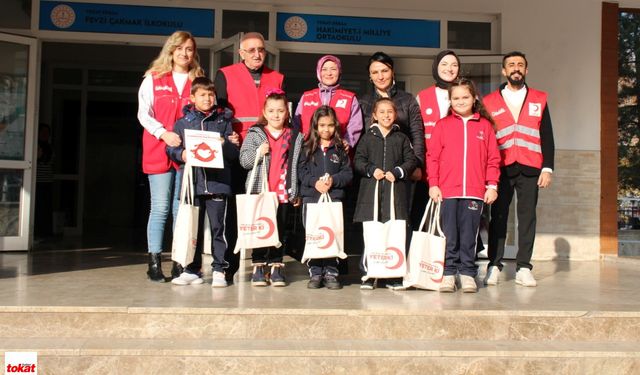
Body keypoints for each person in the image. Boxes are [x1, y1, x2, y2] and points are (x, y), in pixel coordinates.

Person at [214, 32, 284, 281]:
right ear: (241, 53)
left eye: (261, 50)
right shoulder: (226, 73)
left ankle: (264, 265)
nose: (257, 54)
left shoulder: (276, 77)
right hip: (236, 153)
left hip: (267, 154)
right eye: (251, 50)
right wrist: (225, 135)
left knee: (267, 209)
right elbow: (218, 111)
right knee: (235, 211)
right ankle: (229, 267)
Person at [137, 31, 204, 282]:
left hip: (186, 153)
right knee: (160, 207)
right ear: (171, 50)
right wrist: (163, 133)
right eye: (180, 49)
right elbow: (144, 114)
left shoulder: (198, 79)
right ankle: (154, 262)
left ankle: (179, 261)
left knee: (180, 209)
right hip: (158, 147)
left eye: (189, 49)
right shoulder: (153, 78)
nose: (185, 54)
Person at [483, 51, 555, 287]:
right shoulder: (490, 101)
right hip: (501, 168)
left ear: (526, 70)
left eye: (520, 65)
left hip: (530, 168)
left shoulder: (539, 98)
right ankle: (494, 265)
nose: (516, 68)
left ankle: (524, 267)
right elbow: (485, 138)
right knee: (498, 218)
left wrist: (548, 168)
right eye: (511, 65)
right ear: (504, 71)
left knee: (527, 218)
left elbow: (547, 136)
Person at [427, 78, 501, 293]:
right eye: (456, 98)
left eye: (465, 97)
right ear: (450, 100)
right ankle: (449, 273)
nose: (460, 101)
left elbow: (493, 159)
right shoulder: (443, 125)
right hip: (447, 191)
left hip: (475, 192)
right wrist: (434, 184)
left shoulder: (485, 126)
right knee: (449, 234)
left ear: (474, 98)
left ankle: (468, 273)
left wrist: (492, 185)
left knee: (469, 235)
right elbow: (432, 157)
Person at [166, 77, 240, 287]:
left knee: (219, 228)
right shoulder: (183, 123)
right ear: (192, 98)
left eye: (210, 94)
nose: (207, 98)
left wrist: (225, 143)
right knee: (192, 228)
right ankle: (191, 269)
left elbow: (234, 154)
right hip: (193, 184)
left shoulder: (223, 121)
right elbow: (171, 148)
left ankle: (219, 269)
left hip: (218, 184)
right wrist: (182, 154)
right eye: (202, 95)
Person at [239, 89, 304, 287]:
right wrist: (258, 153)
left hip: (283, 190)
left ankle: (276, 265)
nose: (276, 115)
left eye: (280, 111)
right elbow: (244, 161)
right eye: (272, 111)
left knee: (280, 229)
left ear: (287, 113)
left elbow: (299, 164)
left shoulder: (295, 136)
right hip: (261, 190)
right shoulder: (255, 133)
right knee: (261, 229)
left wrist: (297, 190)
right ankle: (259, 265)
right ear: (265, 112)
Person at [353, 98, 417, 290]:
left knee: (394, 234)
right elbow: (358, 160)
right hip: (371, 196)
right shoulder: (367, 137)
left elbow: (411, 160)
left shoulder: (402, 138)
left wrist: (398, 172)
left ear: (395, 114)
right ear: (374, 115)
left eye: (390, 112)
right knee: (372, 234)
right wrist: (371, 170)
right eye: (381, 112)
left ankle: (394, 274)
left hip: (394, 196)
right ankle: (369, 273)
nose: (386, 115)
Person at [298, 106, 353, 290]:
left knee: (332, 235)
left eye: (330, 125)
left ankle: (331, 272)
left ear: (335, 126)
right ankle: (315, 272)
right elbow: (301, 172)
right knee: (314, 236)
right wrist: (315, 182)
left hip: (334, 200)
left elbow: (348, 174)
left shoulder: (340, 149)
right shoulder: (307, 148)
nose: (326, 129)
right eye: (322, 125)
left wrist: (333, 181)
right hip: (312, 200)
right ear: (315, 126)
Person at [414, 50, 461, 233]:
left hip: (457, 168)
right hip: (428, 168)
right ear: (435, 67)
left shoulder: (466, 94)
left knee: (454, 218)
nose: (449, 69)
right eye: (444, 64)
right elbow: (416, 133)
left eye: (454, 65)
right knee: (427, 216)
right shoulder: (423, 96)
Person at [359, 52, 424, 181]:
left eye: (385, 71)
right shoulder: (363, 102)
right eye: (375, 72)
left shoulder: (407, 100)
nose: (380, 76)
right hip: (373, 170)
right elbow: (360, 140)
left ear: (393, 72)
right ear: (370, 76)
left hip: (402, 169)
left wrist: (417, 165)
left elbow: (417, 135)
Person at [293, 55, 363, 150]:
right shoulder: (306, 97)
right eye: (324, 69)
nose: (329, 73)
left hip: (337, 153)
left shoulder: (350, 98)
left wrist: (347, 141)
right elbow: (296, 125)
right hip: (308, 152)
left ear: (339, 71)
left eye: (333, 69)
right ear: (319, 72)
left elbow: (355, 125)